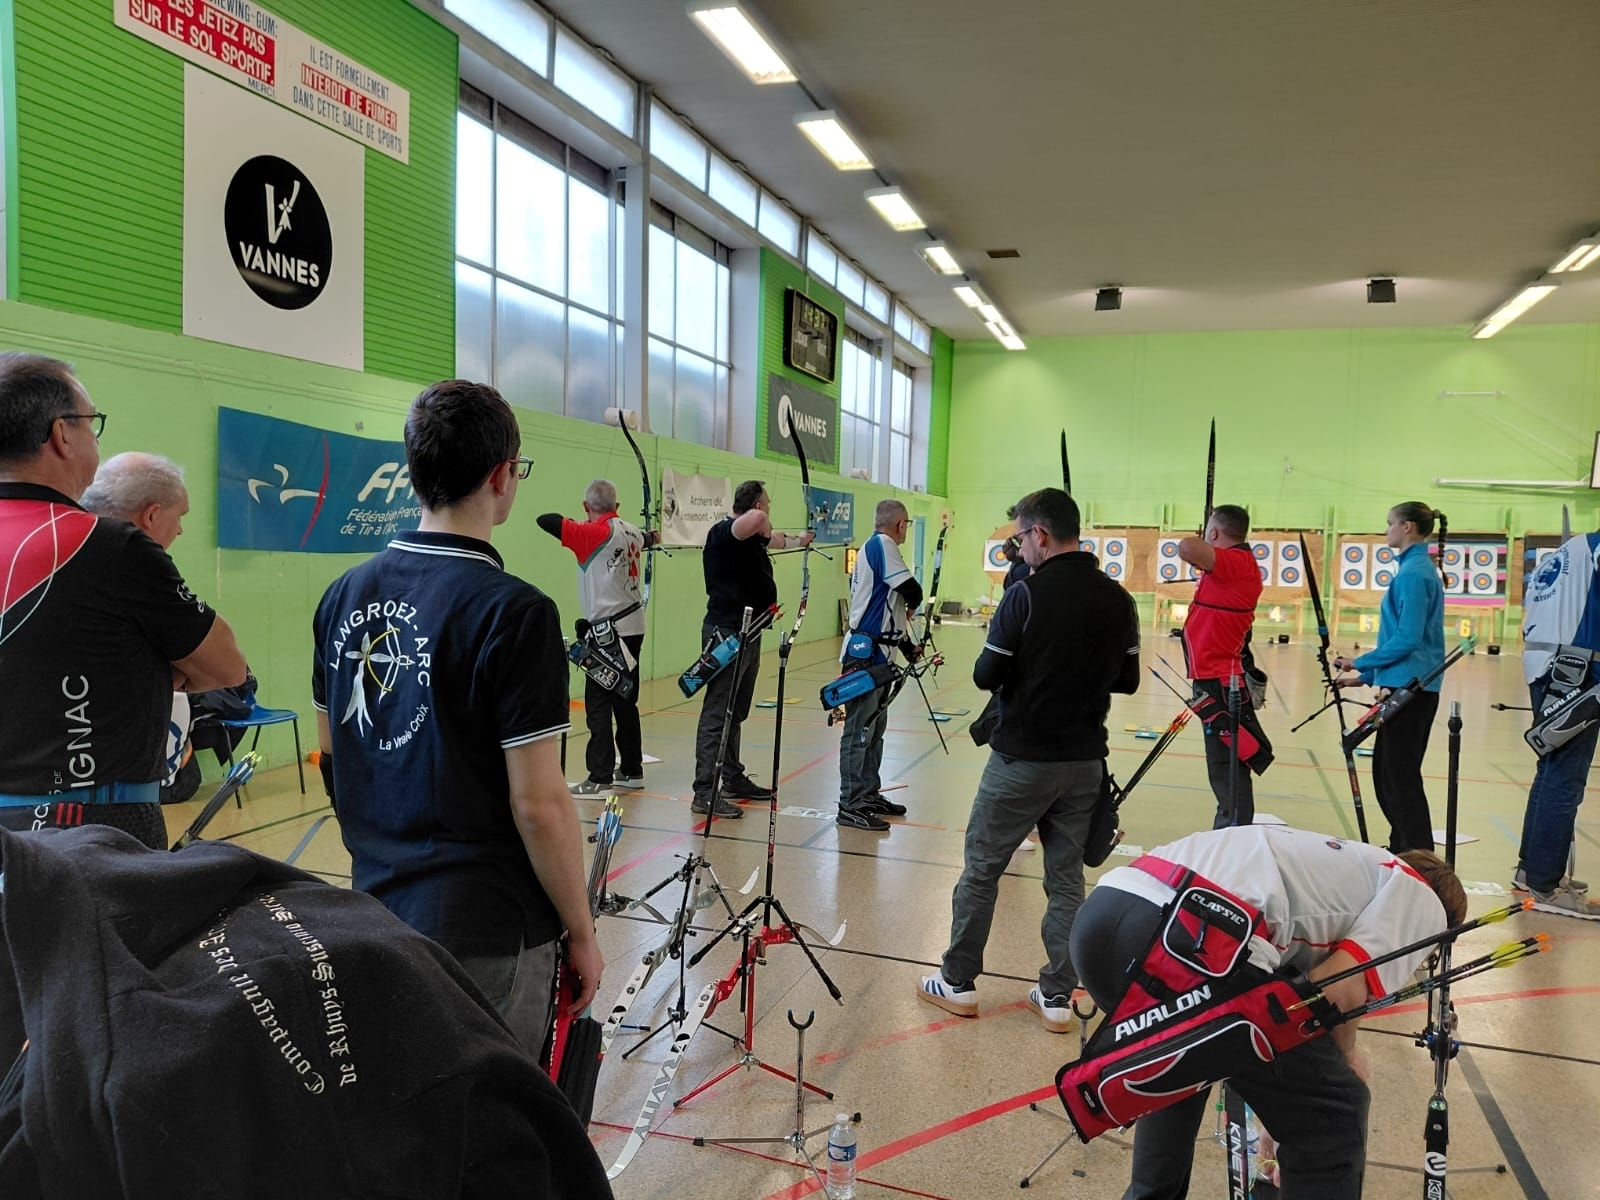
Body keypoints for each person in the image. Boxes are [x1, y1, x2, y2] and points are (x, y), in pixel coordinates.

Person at [312, 379, 602, 1057]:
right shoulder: (516, 612)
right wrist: (582, 929)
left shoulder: (342, 595)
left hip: (377, 910)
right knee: (492, 1114)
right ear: (502, 477)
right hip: (488, 933)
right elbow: (539, 805)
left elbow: (333, 757)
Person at [1070, 824, 1467, 1200]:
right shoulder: (1423, 901)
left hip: (1106, 914)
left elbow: (1287, 1012)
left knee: (1180, 1068)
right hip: (1188, 938)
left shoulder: (1348, 865)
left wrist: (1279, 1111)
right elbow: (1337, 991)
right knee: (1334, 1112)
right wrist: (1345, 1059)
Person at [0, 353, 247, 848]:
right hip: (95, 830)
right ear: (62, 434)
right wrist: (155, 670)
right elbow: (227, 666)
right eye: (92, 423)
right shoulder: (109, 545)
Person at [919, 488, 1140, 1032]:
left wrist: (1036, 665)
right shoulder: (1119, 598)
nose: (1019, 548)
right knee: (1066, 881)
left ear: (1040, 533)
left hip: (1022, 760)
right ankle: (1058, 996)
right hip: (1084, 762)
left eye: (1020, 538)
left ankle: (958, 981)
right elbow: (1128, 679)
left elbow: (985, 675)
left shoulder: (1026, 594)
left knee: (981, 871)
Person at [689, 479, 812, 819]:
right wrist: (765, 522)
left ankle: (732, 778)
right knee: (719, 711)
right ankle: (704, 791)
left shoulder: (750, 536)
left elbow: (776, 538)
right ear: (757, 506)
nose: (768, 511)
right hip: (727, 635)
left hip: (751, 632)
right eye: (767, 504)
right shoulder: (725, 532)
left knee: (737, 710)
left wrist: (800, 540)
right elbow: (759, 523)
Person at [1334, 503, 1446, 853]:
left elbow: (1409, 638)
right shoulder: (1414, 569)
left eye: (1390, 524)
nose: (1387, 530)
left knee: (1400, 777)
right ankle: (1403, 847)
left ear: (1407, 527)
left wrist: (1358, 662)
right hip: (1403, 685)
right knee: (1387, 774)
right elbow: (1401, 639)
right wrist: (1366, 676)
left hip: (1412, 690)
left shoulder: (1414, 574)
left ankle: (1418, 853)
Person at [538, 478, 653, 797]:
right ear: (617, 506)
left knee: (598, 703)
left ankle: (600, 776)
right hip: (632, 627)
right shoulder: (631, 531)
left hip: (609, 636)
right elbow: (648, 538)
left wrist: (582, 523)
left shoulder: (591, 533)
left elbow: (546, 520)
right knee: (625, 698)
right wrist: (651, 536)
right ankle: (631, 769)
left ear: (586, 506)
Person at [1511, 529, 1600, 918]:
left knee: (1551, 771)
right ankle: (1545, 885)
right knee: (1565, 778)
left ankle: (1531, 870)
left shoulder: (1571, 548)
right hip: (1574, 671)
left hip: (1550, 665)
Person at [1178, 504, 1274, 827]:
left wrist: (1202, 543)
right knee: (1223, 765)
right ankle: (1232, 830)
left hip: (1222, 682)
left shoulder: (1236, 563)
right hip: (1215, 679)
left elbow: (1186, 547)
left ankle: (1233, 833)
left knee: (1227, 766)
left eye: (1209, 530)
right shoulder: (1230, 566)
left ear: (1215, 532)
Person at [835, 499, 923, 831]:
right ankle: (850, 804)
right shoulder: (883, 544)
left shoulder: (873, 550)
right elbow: (911, 589)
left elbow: (883, 607)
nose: (905, 530)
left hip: (880, 654)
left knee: (874, 731)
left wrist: (906, 645)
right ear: (900, 525)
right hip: (866, 656)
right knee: (858, 731)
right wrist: (915, 603)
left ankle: (868, 794)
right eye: (906, 524)